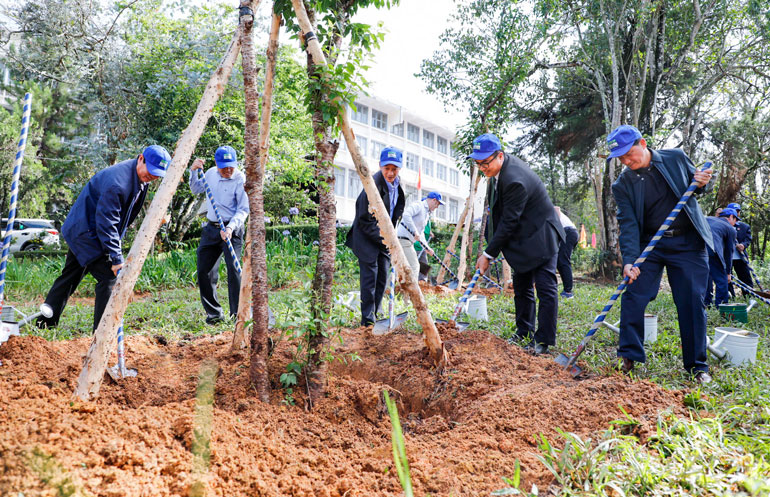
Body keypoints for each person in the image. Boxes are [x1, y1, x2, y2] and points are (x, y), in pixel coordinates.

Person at [608, 124, 714, 384]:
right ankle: (629, 356)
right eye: (620, 157)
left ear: (643, 144)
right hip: (650, 246)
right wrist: (630, 260)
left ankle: (697, 367)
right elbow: (628, 224)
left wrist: (702, 183)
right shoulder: (622, 184)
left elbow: (699, 187)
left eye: (629, 153)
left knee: (691, 302)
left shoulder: (675, 158)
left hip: (687, 242)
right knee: (633, 293)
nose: (625, 160)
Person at [36, 145, 171, 331]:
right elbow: (107, 224)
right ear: (141, 159)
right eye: (151, 172)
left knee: (70, 276)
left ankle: (44, 324)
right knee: (109, 279)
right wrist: (116, 258)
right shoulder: (118, 183)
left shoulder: (139, 177)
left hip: (88, 229)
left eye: (157, 174)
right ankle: (102, 334)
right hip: (86, 233)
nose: (152, 177)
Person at [471, 133, 565, 355]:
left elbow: (509, 222)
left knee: (545, 287)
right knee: (521, 287)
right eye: (478, 163)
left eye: (485, 162)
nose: (482, 167)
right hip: (524, 238)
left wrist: (488, 254)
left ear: (500, 156)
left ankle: (543, 341)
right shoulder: (498, 173)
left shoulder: (514, 179)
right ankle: (523, 331)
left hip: (542, 236)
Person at [345, 146, 405, 326]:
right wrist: (387, 240)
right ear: (380, 166)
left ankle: (376, 315)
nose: (390, 173)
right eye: (387, 168)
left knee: (382, 278)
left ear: (399, 168)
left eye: (394, 169)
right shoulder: (372, 186)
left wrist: (389, 239)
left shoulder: (398, 185)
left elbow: (395, 213)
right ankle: (367, 321)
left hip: (384, 240)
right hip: (367, 238)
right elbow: (364, 219)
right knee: (370, 280)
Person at [189, 146, 249, 325]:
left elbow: (244, 209)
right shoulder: (210, 174)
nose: (228, 170)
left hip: (233, 229)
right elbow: (195, 189)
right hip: (211, 229)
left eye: (231, 166)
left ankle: (237, 315)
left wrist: (230, 228)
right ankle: (214, 314)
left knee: (234, 271)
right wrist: (193, 172)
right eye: (224, 167)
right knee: (204, 271)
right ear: (216, 164)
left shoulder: (240, 179)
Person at [396, 192, 442, 280]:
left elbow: (420, 234)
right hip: (403, 240)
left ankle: (389, 289)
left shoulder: (426, 213)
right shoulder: (419, 205)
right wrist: (414, 231)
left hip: (409, 242)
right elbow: (406, 215)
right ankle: (412, 292)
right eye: (437, 204)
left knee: (400, 267)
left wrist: (427, 248)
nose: (437, 207)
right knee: (414, 266)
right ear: (433, 200)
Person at [705, 208, 738, 308]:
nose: (735, 223)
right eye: (736, 220)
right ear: (731, 217)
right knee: (722, 280)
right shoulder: (730, 228)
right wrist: (728, 273)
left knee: (705, 278)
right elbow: (729, 252)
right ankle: (722, 307)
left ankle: (706, 303)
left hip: (694, 250)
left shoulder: (708, 219)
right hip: (711, 249)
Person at [726, 202, 753, 296]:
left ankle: (749, 295)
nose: (736, 213)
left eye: (738, 211)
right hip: (727, 257)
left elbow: (748, 239)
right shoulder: (722, 225)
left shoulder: (744, 226)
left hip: (740, 257)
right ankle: (730, 296)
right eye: (734, 211)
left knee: (745, 276)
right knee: (727, 278)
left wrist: (743, 245)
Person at [554, 206, 579, 299]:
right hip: (564, 232)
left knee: (562, 260)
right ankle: (556, 288)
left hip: (568, 231)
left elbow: (556, 209)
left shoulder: (540, 204)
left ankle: (568, 292)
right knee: (557, 261)